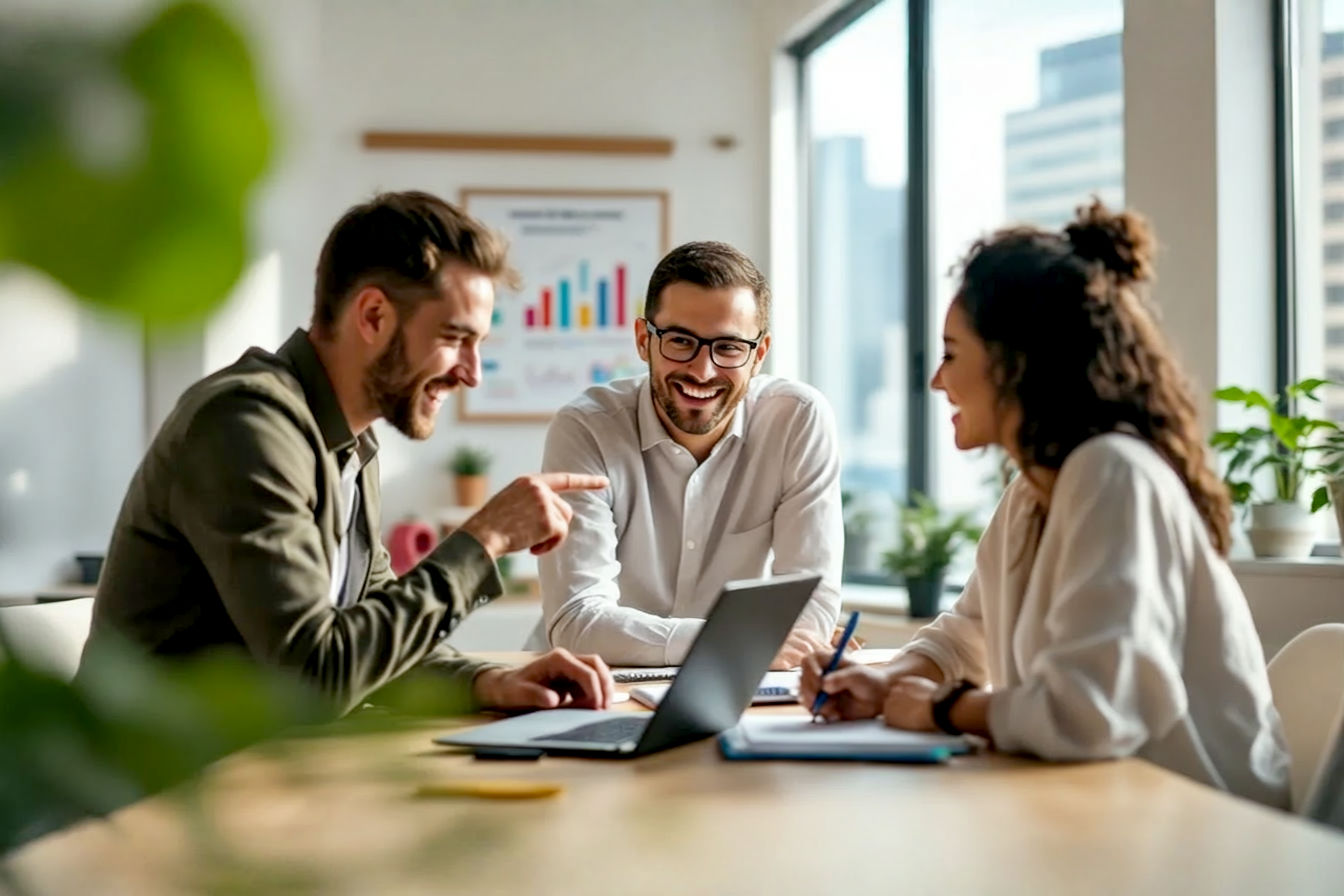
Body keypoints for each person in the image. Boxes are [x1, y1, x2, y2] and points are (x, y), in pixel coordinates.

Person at [800, 201, 1290, 808]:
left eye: (952, 354)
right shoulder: (1034, 490)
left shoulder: (1112, 474)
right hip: (1105, 809)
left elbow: (1090, 714)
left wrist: (945, 708)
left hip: (1202, 827)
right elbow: (967, 636)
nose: (937, 382)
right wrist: (884, 679)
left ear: (1016, 361)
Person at [83, 191, 614, 716]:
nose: (471, 372)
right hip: (155, 786)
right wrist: (484, 538)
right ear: (374, 315)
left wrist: (489, 680)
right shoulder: (247, 424)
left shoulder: (350, 443)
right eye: (455, 337)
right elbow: (317, 674)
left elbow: (369, 633)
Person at [532, 241, 843, 667]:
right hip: (592, 686)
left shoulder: (797, 420)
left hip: (730, 685)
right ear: (644, 340)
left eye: (729, 347)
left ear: (759, 355)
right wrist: (733, 643)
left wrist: (759, 643)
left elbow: (810, 606)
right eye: (680, 341)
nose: (703, 370)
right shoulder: (587, 428)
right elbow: (577, 621)